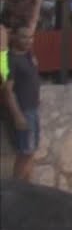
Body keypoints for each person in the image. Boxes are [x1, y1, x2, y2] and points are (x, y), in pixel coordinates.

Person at [2, 22, 39, 181]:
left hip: (33, 109)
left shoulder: (28, 55)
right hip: (23, 111)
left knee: (30, 151)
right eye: (24, 36)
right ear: (14, 37)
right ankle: (16, 189)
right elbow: (8, 91)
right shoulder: (10, 60)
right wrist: (17, 115)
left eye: (30, 37)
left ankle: (27, 188)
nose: (28, 40)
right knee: (25, 152)